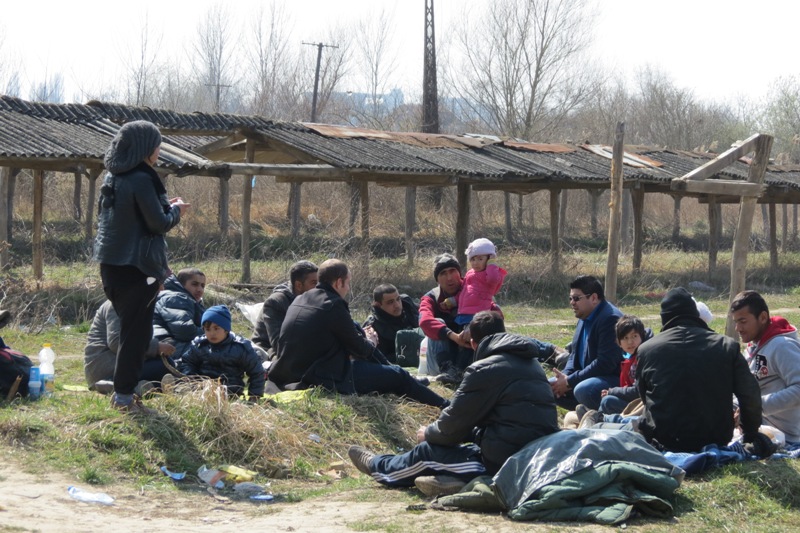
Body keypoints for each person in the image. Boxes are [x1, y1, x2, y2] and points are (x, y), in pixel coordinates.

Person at [347, 311, 560, 497]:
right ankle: (451, 478)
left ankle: (379, 467)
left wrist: (428, 433)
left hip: (505, 462)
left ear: (474, 344)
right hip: (538, 451)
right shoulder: (531, 363)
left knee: (426, 454)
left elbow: (452, 425)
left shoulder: (484, 369)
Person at [93, 120, 189, 414]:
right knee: (136, 336)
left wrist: (163, 207)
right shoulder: (141, 179)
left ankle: (122, 387)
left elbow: (130, 218)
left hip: (112, 266)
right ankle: (124, 397)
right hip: (136, 269)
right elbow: (158, 223)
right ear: (146, 149)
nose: (159, 151)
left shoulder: (113, 177)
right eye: (157, 145)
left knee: (130, 331)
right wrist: (176, 210)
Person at [269, 259, 447, 408]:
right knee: (397, 376)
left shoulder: (302, 298)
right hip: (320, 376)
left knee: (355, 325)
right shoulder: (333, 304)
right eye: (347, 283)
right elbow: (360, 349)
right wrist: (369, 341)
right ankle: (444, 405)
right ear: (339, 282)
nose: (347, 288)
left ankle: (405, 377)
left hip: (292, 370)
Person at [636, 287, 773, 456]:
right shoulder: (726, 346)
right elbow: (750, 396)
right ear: (694, 314)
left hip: (665, 440)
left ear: (665, 318)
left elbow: (644, 396)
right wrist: (750, 434)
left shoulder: (646, 350)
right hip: (715, 438)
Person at [731, 290, 800, 444]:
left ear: (762, 317)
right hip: (760, 428)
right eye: (735, 322)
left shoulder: (782, 346)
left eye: (742, 321)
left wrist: (754, 408)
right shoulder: (753, 347)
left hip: (786, 436)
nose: (738, 328)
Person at [419, 254, 500, 384]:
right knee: (438, 322)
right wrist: (453, 336)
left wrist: (473, 324)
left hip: (469, 354)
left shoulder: (475, 288)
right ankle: (447, 369)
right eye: (443, 274)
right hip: (439, 362)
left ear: (460, 273)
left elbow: (497, 314)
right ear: (437, 279)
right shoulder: (431, 298)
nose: (449, 278)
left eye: (452, 271)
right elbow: (424, 321)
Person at [550, 275, 623, 410]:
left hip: (614, 379)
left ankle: (602, 415)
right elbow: (574, 355)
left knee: (584, 389)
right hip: (590, 376)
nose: (572, 302)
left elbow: (605, 364)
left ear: (594, 298)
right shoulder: (584, 316)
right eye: (570, 298)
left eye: (577, 298)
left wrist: (570, 381)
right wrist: (564, 377)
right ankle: (586, 411)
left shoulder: (610, 319)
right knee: (550, 387)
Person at [84, 299, 177, 394]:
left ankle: (143, 388)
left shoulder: (136, 304)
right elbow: (116, 342)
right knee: (163, 366)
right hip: (106, 367)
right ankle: (111, 384)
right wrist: (156, 347)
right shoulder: (117, 304)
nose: (162, 288)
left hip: (118, 363)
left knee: (166, 368)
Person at [180, 305, 265, 399]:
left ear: (226, 329)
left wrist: (254, 396)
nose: (212, 333)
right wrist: (192, 381)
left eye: (216, 328)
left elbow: (257, 372)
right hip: (203, 392)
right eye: (208, 329)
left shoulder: (240, 347)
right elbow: (187, 362)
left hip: (230, 394)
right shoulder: (199, 345)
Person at [251, 260, 318, 360]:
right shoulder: (276, 302)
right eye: (314, 283)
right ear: (299, 285)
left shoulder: (314, 298)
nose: (318, 287)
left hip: (297, 346)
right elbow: (279, 343)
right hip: (268, 349)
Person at [152, 267, 206, 361]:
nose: (199, 289)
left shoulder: (187, 299)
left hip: (174, 343)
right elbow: (184, 329)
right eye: (194, 284)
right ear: (181, 284)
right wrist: (210, 334)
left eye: (202, 286)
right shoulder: (175, 297)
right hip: (168, 345)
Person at [362, 283, 422, 365]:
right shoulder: (372, 327)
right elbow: (375, 358)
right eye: (390, 302)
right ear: (378, 305)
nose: (397, 305)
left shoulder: (410, 308)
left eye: (398, 299)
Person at [454, 238, 507, 327]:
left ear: (489, 259)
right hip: (463, 313)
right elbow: (463, 291)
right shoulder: (470, 273)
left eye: (480, 259)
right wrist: (453, 300)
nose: (475, 263)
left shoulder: (490, 273)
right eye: (473, 259)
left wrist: (492, 264)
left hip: (479, 314)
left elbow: (493, 279)